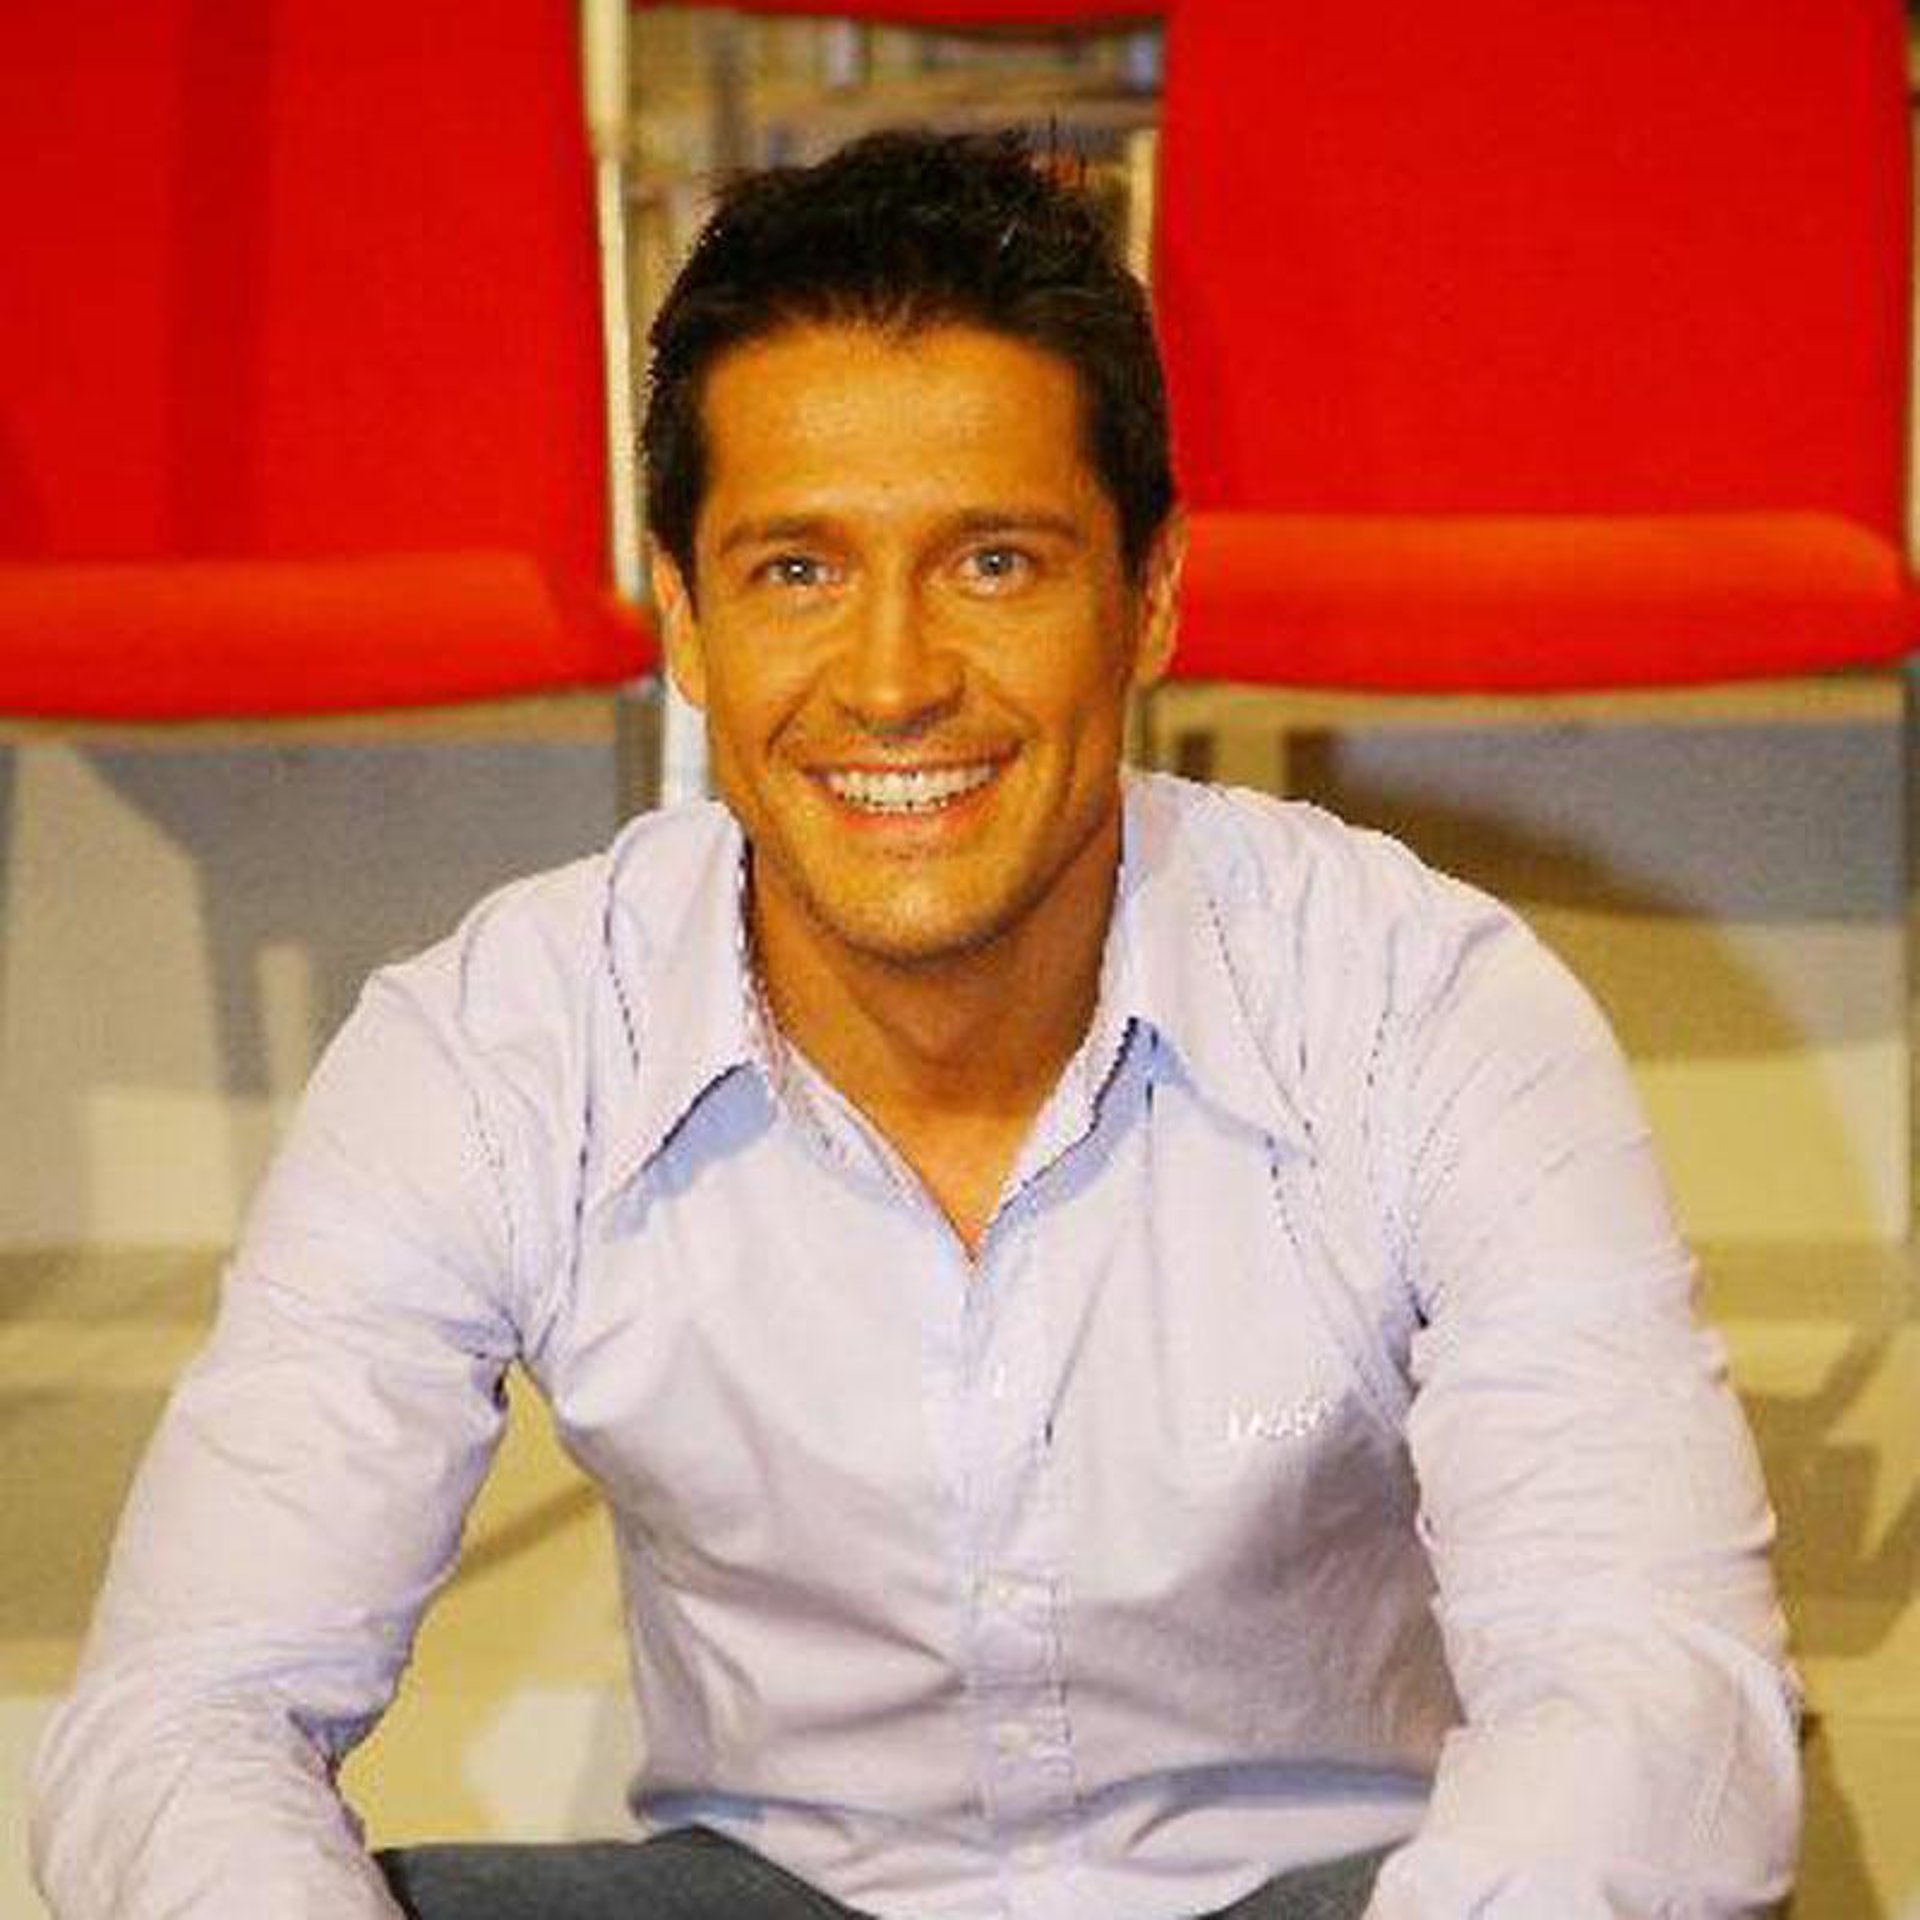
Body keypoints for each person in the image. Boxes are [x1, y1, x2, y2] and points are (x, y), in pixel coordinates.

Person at [31, 129, 1800, 1920]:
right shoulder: (499, 1047)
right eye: (797, 571)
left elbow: (1654, 1698)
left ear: (1151, 596)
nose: (891, 681)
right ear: (685, 619)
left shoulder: (1422, 1006)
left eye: (995, 563)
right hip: (772, 1894)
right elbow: (187, 1715)